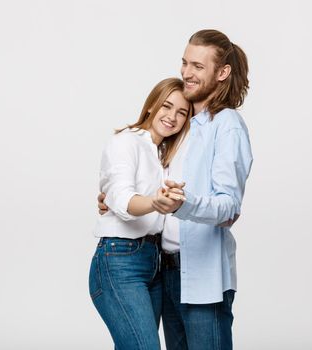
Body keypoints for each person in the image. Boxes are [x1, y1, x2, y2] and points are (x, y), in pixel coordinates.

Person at [98, 29, 252, 350]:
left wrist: (181, 205)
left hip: (203, 277)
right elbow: (145, 185)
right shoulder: (182, 129)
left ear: (222, 73)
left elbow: (228, 208)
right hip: (164, 274)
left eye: (197, 66)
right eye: (184, 63)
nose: (186, 72)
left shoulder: (227, 125)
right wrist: (113, 199)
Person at [89, 77, 193, 350]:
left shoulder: (165, 155)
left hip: (155, 262)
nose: (172, 117)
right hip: (121, 260)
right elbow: (122, 199)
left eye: (182, 112)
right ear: (151, 106)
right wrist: (154, 202)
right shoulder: (126, 142)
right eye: (167, 106)